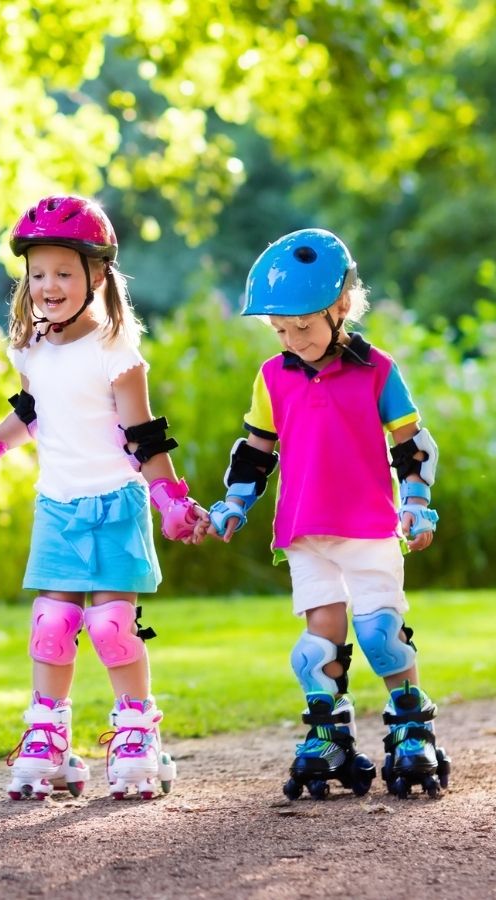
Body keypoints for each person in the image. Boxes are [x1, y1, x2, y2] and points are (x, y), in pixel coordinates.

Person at [0, 195, 209, 801]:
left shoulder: (117, 354)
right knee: (51, 624)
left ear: (97, 275)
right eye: (37, 273)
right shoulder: (30, 350)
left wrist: (170, 501)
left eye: (63, 272)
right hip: (57, 506)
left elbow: (143, 437)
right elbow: (32, 413)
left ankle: (136, 731)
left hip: (116, 503)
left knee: (113, 625)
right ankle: (48, 739)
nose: (48, 285)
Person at [209, 228, 450, 800]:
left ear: (340, 305)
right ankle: (328, 735)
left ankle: (412, 729)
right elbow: (256, 450)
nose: (293, 339)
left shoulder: (377, 369)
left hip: (367, 524)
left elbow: (412, 445)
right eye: (281, 330)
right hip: (304, 529)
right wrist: (235, 502)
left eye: (304, 327)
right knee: (318, 647)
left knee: (380, 634)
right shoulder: (272, 376)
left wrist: (417, 503)